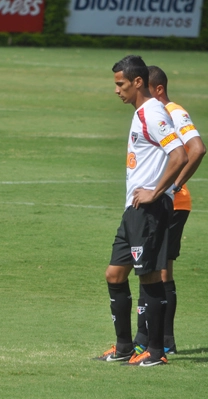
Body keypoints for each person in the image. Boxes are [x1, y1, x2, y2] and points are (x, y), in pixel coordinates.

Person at [95, 55, 187, 366]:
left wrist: (157, 191)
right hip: (132, 210)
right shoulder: (140, 113)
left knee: (148, 277)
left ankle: (157, 351)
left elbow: (180, 154)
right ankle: (124, 346)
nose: (116, 90)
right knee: (114, 274)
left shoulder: (153, 113)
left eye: (120, 84)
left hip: (148, 210)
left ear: (138, 83)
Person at [132, 66, 206, 355]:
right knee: (154, 270)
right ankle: (157, 341)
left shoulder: (172, 111)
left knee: (157, 271)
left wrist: (171, 187)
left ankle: (160, 342)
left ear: (158, 89)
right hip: (163, 201)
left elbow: (197, 149)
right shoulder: (154, 113)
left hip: (170, 202)